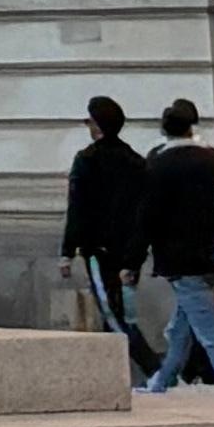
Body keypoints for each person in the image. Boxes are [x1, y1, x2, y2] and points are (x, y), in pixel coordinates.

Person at [136, 93, 214, 387]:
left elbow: (147, 216)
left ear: (164, 129)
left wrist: (133, 259)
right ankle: (162, 382)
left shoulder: (158, 163)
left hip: (178, 258)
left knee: (209, 333)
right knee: (181, 328)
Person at [61, 95, 153, 369]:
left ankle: (155, 370)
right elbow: (143, 213)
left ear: (98, 125)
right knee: (117, 311)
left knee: (113, 315)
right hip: (127, 250)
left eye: (89, 121)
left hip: (98, 250)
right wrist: (134, 257)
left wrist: (67, 252)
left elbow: (77, 208)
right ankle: (112, 370)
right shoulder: (136, 161)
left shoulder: (87, 160)